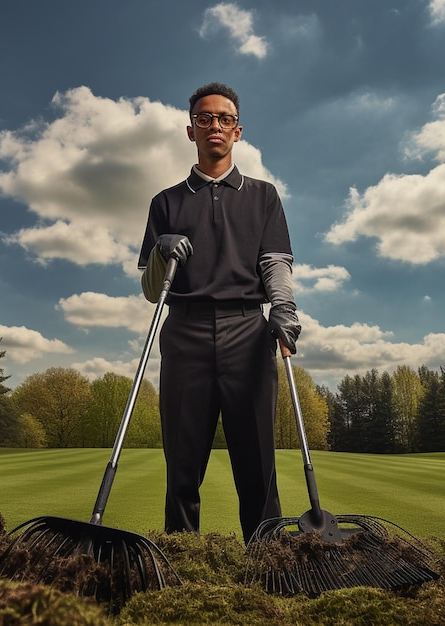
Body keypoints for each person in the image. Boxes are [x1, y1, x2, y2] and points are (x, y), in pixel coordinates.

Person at [137, 82, 300, 544]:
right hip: (184, 335)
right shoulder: (165, 203)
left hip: (249, 332)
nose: (215, 126)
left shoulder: (264, 196)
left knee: (257, 469)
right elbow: (152, 292)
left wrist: (283, 308)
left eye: (224, 119)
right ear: (191, 131)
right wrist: (160, 253)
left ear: (238, 131)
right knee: (183, 469)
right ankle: (183, 564)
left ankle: (269, 566)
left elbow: (275, 261)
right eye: (204, 118)